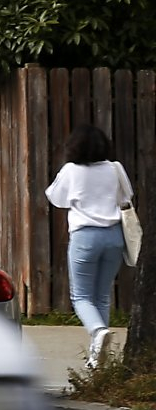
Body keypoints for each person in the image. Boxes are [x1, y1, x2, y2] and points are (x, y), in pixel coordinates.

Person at [46, 123, 134, 368]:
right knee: (102, 295)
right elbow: (126, 197)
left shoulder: (71, 170)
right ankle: (98, 357)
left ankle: (98, 332)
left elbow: (56, 198)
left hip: (85, 236)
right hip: (114, 236)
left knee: (81, 296)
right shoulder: (115, 168)